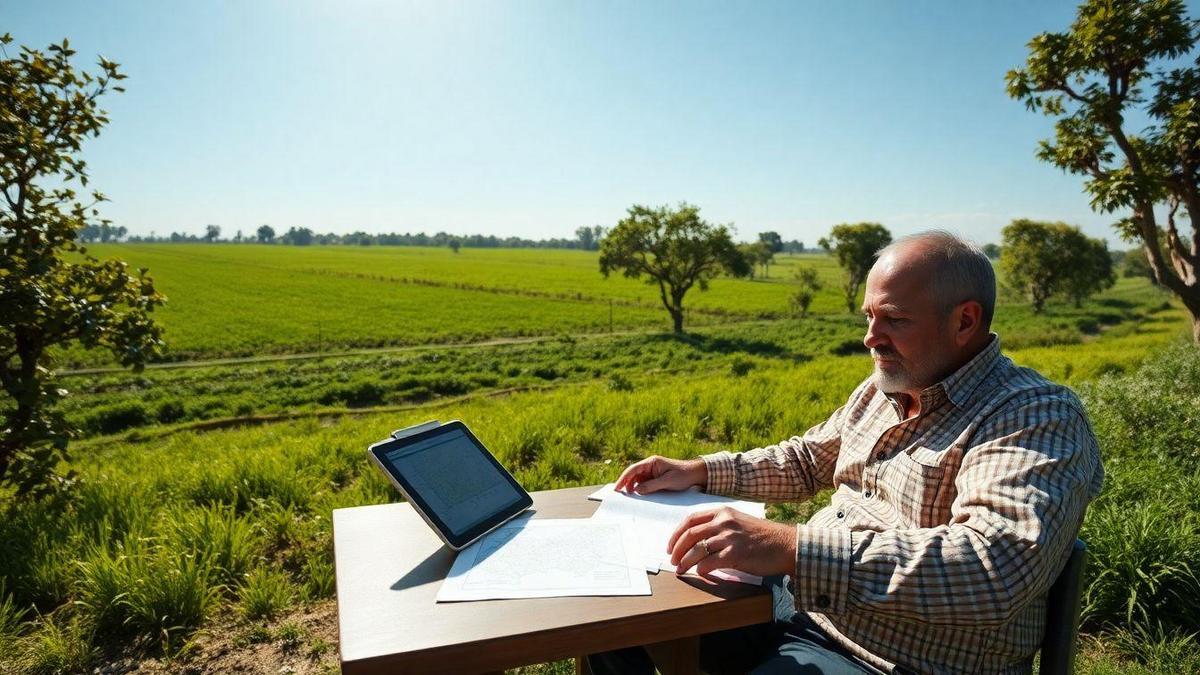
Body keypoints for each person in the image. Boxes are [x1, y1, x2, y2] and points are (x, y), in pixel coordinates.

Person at [589, 231, 1104, 675]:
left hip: (896, 659)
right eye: (868, 316)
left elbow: (995, 566)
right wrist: (701, 471)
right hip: (803, 613)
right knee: (611, 620)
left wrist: (791, 547)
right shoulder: (888, 386)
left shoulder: (1032, 415)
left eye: (894, 320)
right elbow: (807, 460)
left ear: (964, 321)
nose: (869, 338)